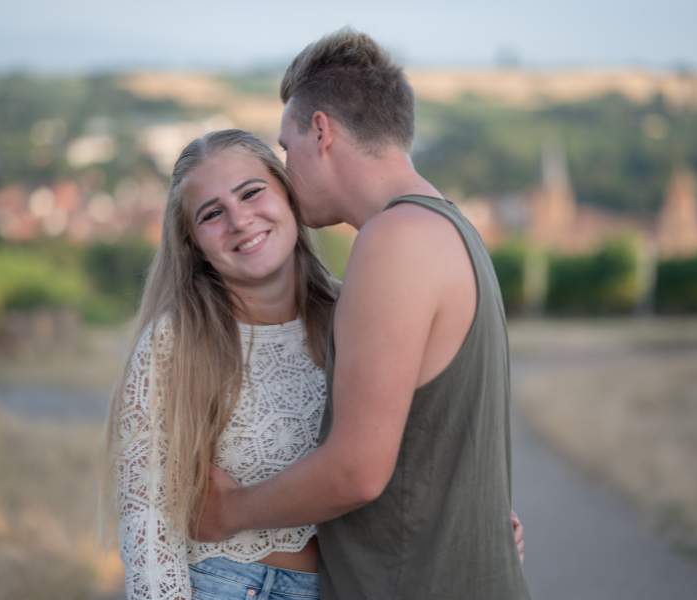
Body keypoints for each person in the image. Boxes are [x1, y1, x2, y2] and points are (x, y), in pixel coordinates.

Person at [193, 28, 533, 600]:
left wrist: (227, 511)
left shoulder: (393, 240)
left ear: (321, 130)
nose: (283, 167)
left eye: (285, 147)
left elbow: (358, 469)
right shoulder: (450, 227)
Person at [100, 129, 339, 600]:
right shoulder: (175, 343)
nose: (240, 219)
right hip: (228, 587)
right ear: (192, 243)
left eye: (251, 192)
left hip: (351, 586)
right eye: (212, 213)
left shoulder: (359, 315)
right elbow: (147, 525)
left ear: (288, 196)